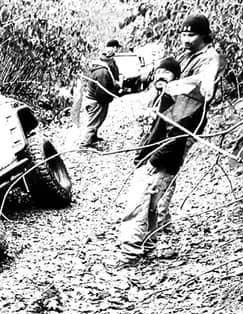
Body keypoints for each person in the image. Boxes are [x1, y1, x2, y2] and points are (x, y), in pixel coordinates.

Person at [116, 14, 223, 266]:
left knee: (148, 188)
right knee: (153, 191)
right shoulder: (188, 56)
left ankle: (133, 249)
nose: (186, 39)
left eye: (191, 35)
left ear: (204, 35)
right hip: (167, 124)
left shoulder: (210, 58)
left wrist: (179, 87)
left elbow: (200, 92)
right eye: (183, 34)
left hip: (178, 128)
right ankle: (149, 241)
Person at [79, 39, 122, 148]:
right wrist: (109, 98)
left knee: (98, 120)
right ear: (109, 60)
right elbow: (102, 91)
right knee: (93, 124)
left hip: (96, 100)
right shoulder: (102, 72)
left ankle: (93, 138)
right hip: (96, 101)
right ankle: (85, 143)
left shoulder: (103, 68)